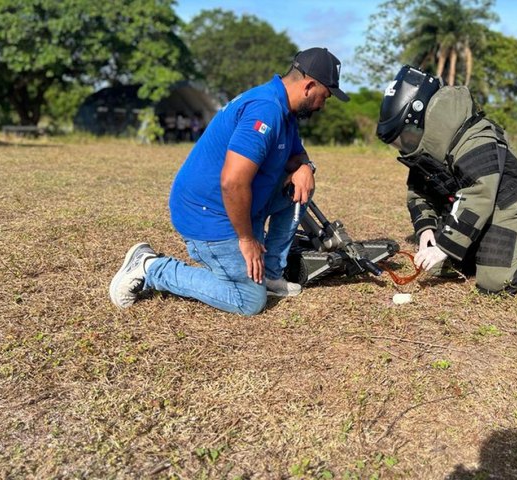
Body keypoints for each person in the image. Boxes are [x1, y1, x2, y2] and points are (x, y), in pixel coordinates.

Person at [109, 47, 349, 314]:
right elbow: (232, 182)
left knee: (300, 187)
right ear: (309, 86)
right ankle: (151, 267)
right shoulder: (265, 110)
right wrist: (246, 239)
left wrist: (304, 166)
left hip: (238, 206)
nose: (323, 106)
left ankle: (270, 273)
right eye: (324, 97)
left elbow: (294, 154)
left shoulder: (285, 110)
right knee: (248, 300)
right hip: (210, 212)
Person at [376, 65, 517, 293]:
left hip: (505, 202)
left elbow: (479, 194)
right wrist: (426, 230)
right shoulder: (428, 148)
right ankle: (475, 254)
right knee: (437, 267)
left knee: (496, 281)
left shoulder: (475, 138)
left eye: (405, 137)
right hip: (472, 203)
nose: (404, 147)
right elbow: (418, 190)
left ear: (421, 119)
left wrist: (443, 247)